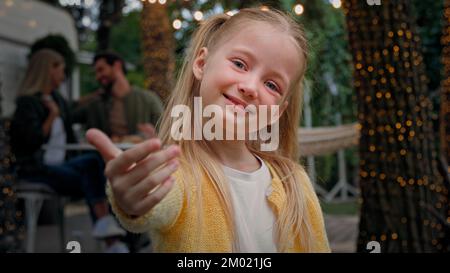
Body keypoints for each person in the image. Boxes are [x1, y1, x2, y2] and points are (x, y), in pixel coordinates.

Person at [87, 8, 330, 252]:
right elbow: (157, 202)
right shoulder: (175, 173)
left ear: (277, 111)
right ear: (202, 64)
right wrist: (134, 199)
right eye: (239, 64)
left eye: (271, 84)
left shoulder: (295, 184)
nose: (250, 87)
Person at [10, 49, 127, 253]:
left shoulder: (58, 99)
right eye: (61, 70)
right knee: (94, 177)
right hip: (34, 168)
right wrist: (51, 116)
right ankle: (110, 238)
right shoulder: (27, 104)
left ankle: (106, 228)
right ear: (49, 70)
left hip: (60, 166)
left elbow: (73, 110)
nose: (64, 76)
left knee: (94, 162)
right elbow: (29, 141)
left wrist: (95, 97)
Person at [73, 52, 163, 143]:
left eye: (101, 70)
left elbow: (165, 129)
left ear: (117, 66)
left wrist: (152, 135)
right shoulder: (96, 103)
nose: (98, 77)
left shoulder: (148, 99)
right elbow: (69, 116)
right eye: (96, 73)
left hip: (142, 154)